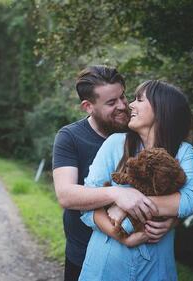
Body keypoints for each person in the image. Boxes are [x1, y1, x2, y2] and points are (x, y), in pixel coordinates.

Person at [52, 66, 177, 281]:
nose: (122, 106)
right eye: (111, 103)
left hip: (142, 259)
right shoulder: (70, 137)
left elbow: (173, 185)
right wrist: (117, 194)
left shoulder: (141, 129)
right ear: (88, 106)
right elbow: (66, 195)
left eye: (123, 96)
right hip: (83, 257)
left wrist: (172, 220)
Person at [78, 80, 193, 281]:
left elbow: (191, 199)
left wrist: (128, 206)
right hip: (106, 263)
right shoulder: (115, 143)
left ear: (161, 109)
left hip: (156, 266)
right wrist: (122, 236)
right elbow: (87, 205)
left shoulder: (183, 151)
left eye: (139, 99)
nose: (130, 105)